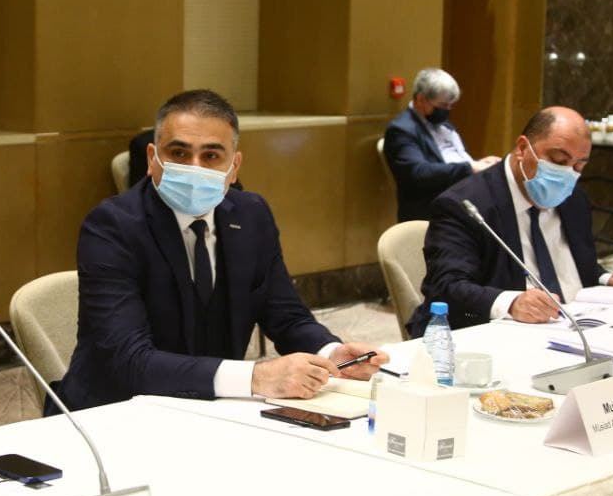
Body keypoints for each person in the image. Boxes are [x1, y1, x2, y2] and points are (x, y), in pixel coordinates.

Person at [56, 89, 387, 411]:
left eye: (211, 156)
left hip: (212, 410)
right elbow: (128, 359)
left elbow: (286, 315)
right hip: (112, 414)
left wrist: (330, 352)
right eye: (179, 153)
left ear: (234, 166)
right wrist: (256, 377)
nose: (195, 167)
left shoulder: (251, 214)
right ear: (152, 159)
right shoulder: (113, 226)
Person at [406, 106, 613, 338]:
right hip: (494, 335)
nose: (568, 174)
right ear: (523, 148)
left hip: (575, 329)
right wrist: (511, 303)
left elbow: (572, 266)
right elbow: (447, 287)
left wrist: (608, 279)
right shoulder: (466, 205)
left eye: (579, 165)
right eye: (558, 160)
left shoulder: (574, 199)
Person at [382, 68, 501, 221]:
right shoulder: (402, 130)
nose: (447, 110)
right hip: (433, 207)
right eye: (443, 105)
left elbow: (456, 157)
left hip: (462, 195)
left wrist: (480, 164)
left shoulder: (443, 124)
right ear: (421, 99)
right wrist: (470, 168)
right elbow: (418, 173)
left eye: (450, 105)